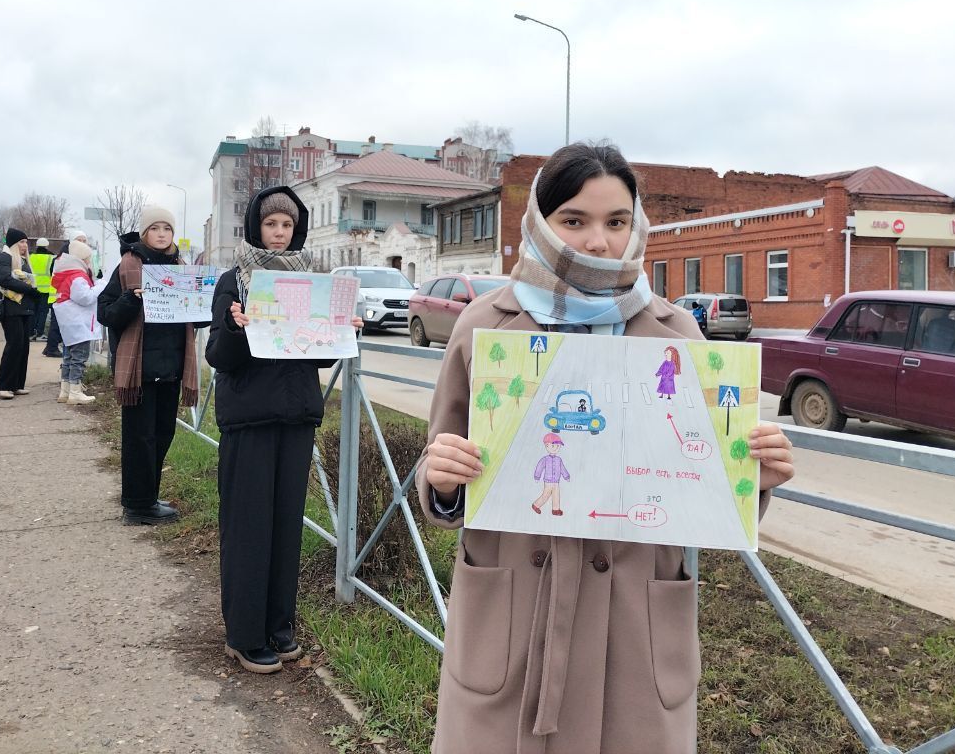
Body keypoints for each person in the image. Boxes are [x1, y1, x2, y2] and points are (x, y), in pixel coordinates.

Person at [417, 143, 795, 754]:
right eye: (575, 220)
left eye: (616, 222)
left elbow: (704, 489)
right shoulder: (485, 326)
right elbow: (445, 469)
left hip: (633, 631)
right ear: (541, 224)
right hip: (511, 617)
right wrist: (441, 480)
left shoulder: (676, 336)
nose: (598, 241)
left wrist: (756, 477)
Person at [205, 187, 364, 676]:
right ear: (256, 227)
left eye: (287, 226)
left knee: (284, 528)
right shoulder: (235, 281)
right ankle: (244, 635)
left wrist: (343, 331)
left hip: (295, 417)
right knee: (250, 527)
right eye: (271, 224)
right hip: (250, 420)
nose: (279, 234)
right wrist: (237, 329)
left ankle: (279, 626)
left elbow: (313, 355)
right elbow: (218, 357)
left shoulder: (311, 282)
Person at [97, 207, 200, 526]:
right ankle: (137, 506)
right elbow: (105, 313)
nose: (161, 234)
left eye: (166, 228)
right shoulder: (128, 264)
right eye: (154, 228)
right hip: (139, 370)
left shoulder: (181, 267)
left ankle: (148, 496)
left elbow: (196, 318)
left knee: (162, 435)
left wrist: (203, 305)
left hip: (172, 368)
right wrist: (131, 299)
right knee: (139, 439)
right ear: (144, 233)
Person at [52, 232, 103, 406]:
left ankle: (65, 391)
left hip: (69, 324)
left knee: (68, 358)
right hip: (78, 325)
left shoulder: (67, 274)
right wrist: (100, 286)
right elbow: (85, 298)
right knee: (78, 358)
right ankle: (75, 391)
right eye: (87, 259)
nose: (89, 262)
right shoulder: (78, 276)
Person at [0, 229, 41, 400]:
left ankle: (16, 384)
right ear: (13, 243)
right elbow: (4, 279)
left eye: (26, 242)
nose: (24, 245)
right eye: (21, 242)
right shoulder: (5, 258)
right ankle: (3, 386)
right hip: (11, 308)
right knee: (14, 346)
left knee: (23, 347)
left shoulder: (23, 260)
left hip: (24, 308)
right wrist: (30, 290)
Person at [28, 237, 56, 341]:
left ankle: (31, 333)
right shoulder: (51, 258)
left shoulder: (31, 257)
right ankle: (39, 334)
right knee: (43, 312)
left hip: (32, 288)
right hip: (45, 289)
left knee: (33, 311)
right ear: (47, 246)